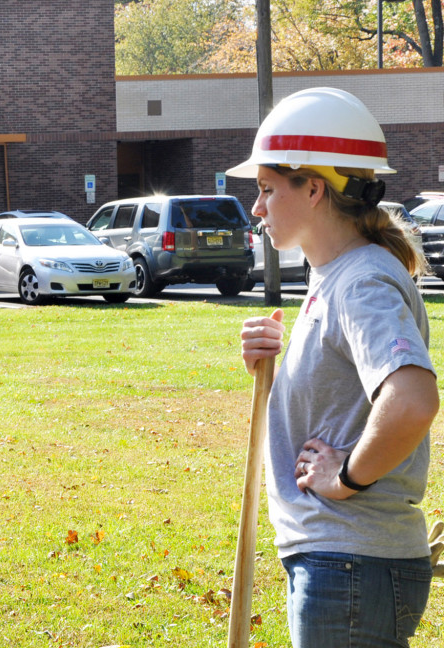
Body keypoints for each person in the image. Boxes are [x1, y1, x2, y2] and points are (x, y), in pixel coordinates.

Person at [232, 87, 439, 647]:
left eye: (268, 190)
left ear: (315, 188)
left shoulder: (362, 281)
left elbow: (414, 399)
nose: (257, 208)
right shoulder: (334, 275)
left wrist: (345, 476)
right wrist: (273, 363)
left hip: (351, 562)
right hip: (341, 562)